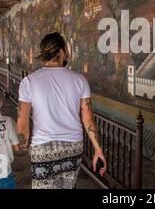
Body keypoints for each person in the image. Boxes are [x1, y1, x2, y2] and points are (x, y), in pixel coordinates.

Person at [17, 32, 106, 189]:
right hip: (73, 147)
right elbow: (88, 120)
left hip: (43, 148)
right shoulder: (80, 80)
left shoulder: (29, 81)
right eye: (66, 49)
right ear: (61, 51)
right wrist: (98, 150)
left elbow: (22, 120)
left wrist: (22, 145)